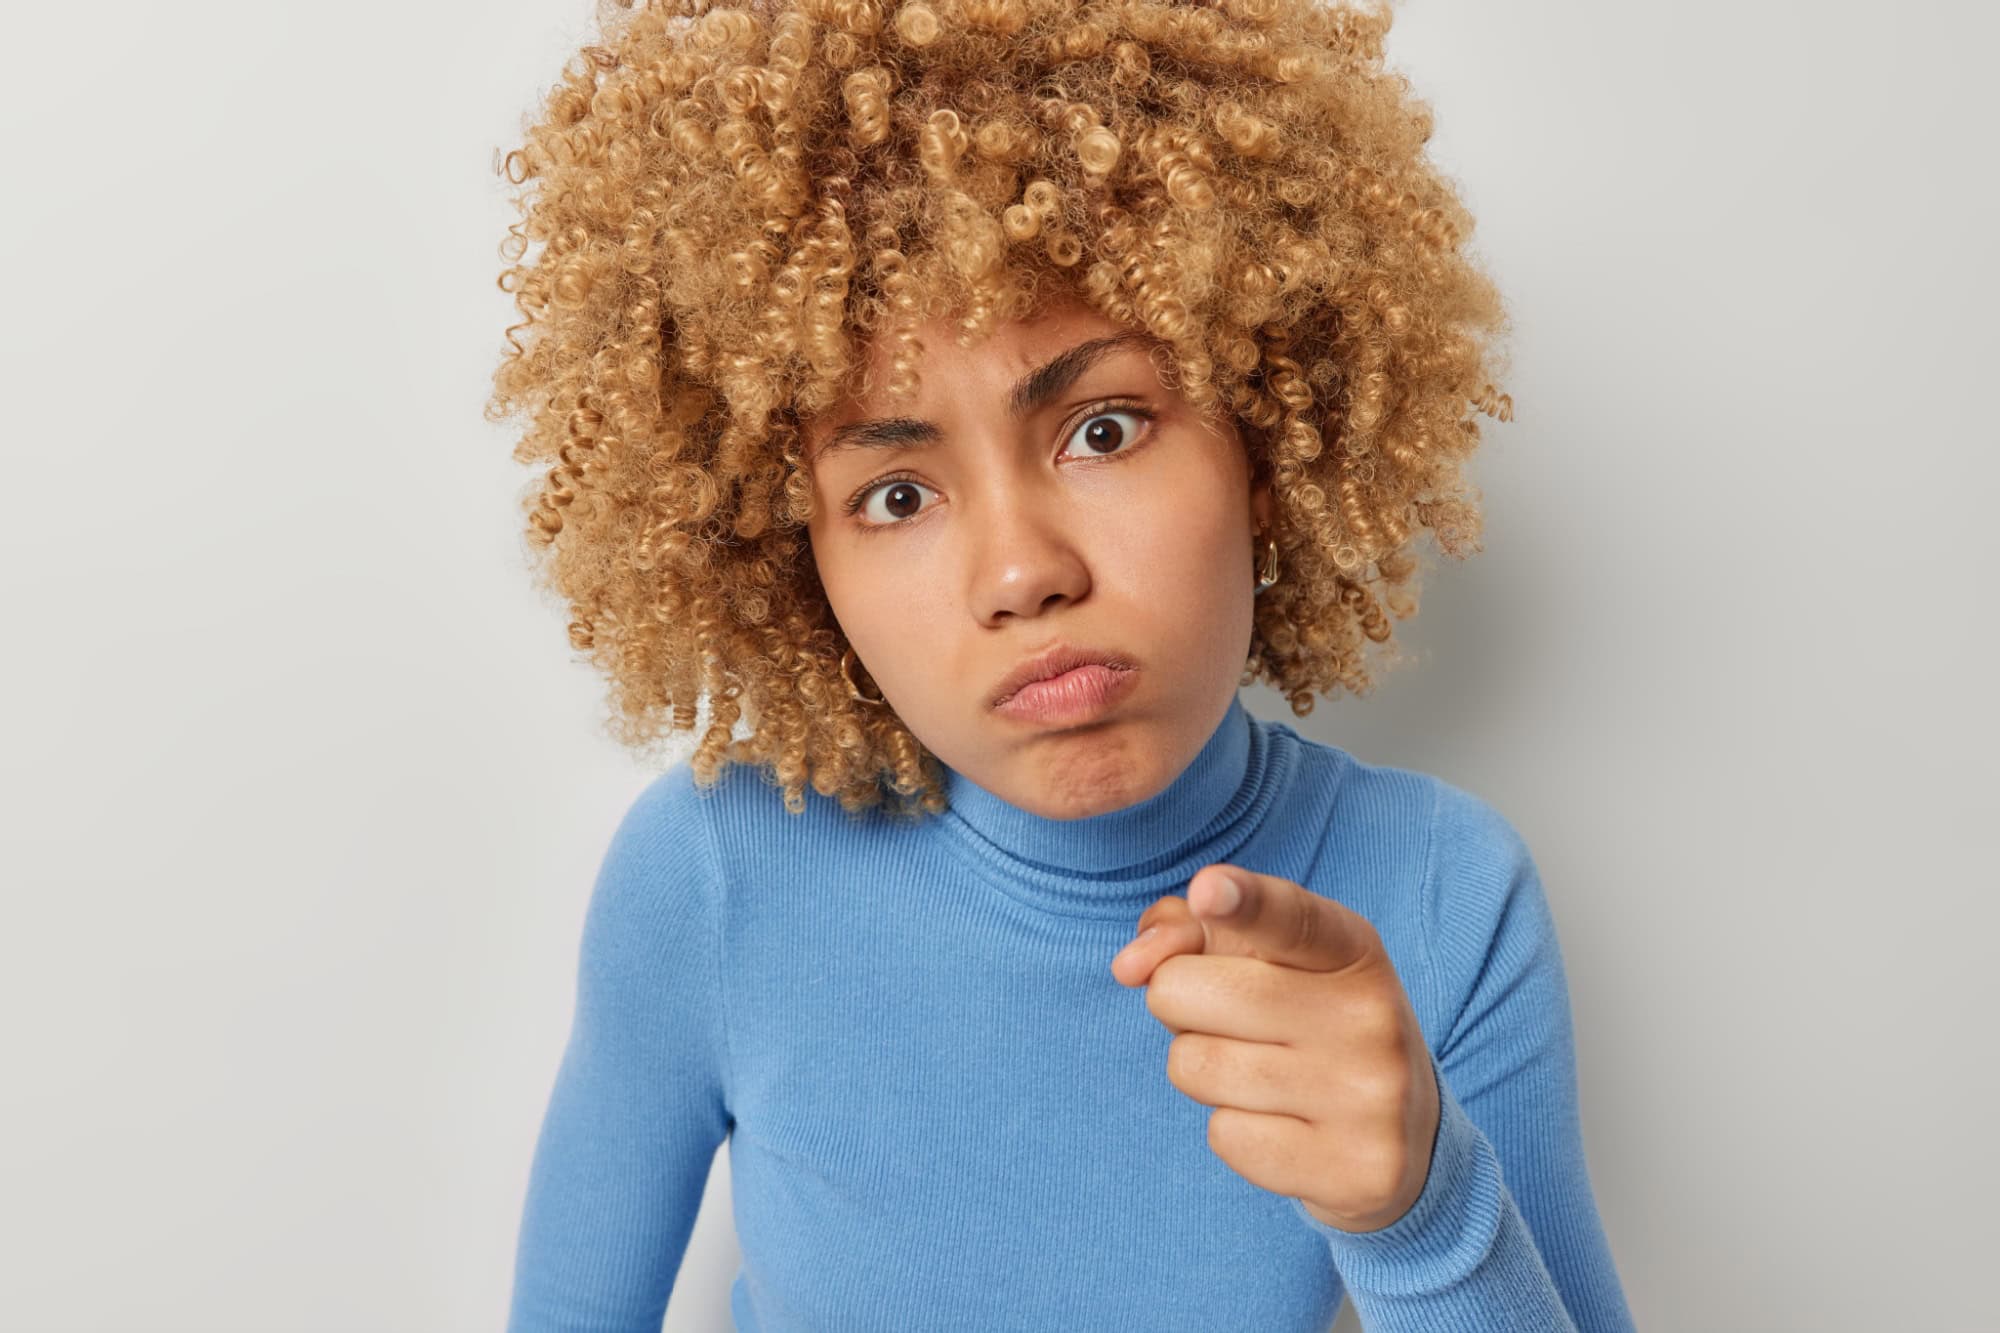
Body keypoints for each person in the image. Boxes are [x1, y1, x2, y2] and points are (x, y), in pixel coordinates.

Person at [489, 0, 1637, 1328]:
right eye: (897, 496)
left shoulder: (1442, 895)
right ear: (796, 561)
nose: (1023, 571)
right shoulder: (713, 876)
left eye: (1103, 427)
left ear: (1263, 444)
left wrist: (1425, 1211)